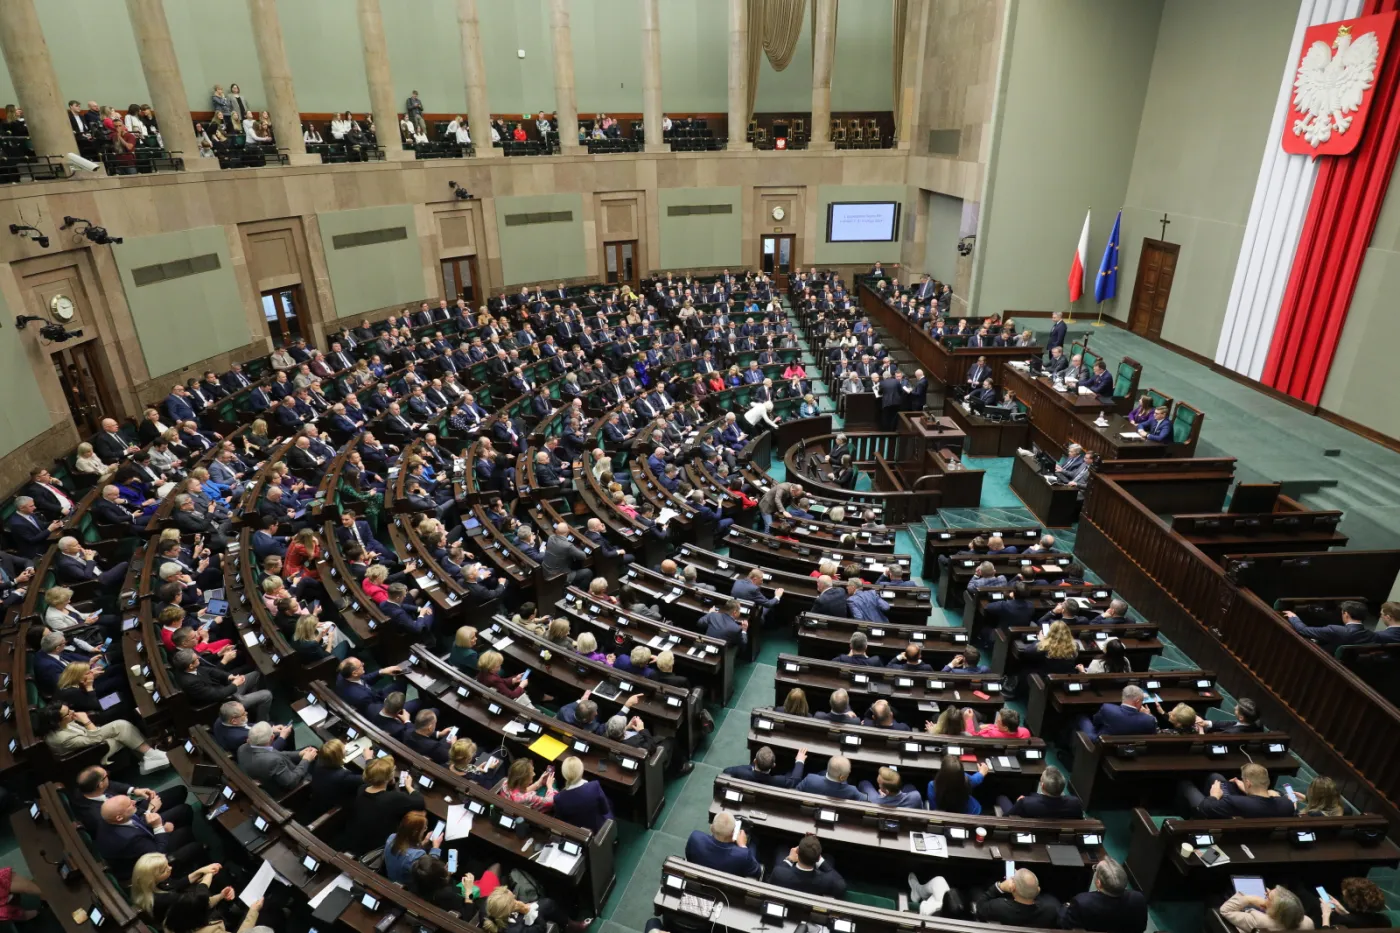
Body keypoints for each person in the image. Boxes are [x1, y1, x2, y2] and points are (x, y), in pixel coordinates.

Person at [38, 704, 169, 773]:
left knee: (122, 725)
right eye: (68, 713)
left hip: (91, 741)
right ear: (57, 721)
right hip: (90, 754)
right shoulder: (61, 738)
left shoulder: (63, 723)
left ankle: (148, 757)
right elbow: (96, 741)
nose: (72, 712)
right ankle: (150, 755)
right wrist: (87, 721)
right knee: (122, 728)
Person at [346, 755, 426, 855]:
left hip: (357, 839)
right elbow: (419, 801)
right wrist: (409, 786)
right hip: (378, 849)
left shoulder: (362, 789)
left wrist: (390, 783)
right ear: (389, 777)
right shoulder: (393, 798)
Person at [130, 853, 231, 929]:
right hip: (184, 922)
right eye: (165, 869)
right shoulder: (166, 899)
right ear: (153, 878)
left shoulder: (145, 885)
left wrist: (201, 871)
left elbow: (176, 884)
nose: (170, 868)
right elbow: (201, 899)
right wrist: (208, 876)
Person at [1058, 857, 1148, 933]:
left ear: (1098, 883)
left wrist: (1065, 906)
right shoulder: (1138, 899)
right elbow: (1141, 928)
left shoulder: (1082, 902)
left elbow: (1066, 924)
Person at [1178, 762, 1294, 818]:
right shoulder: (1286, 804)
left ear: (1248, 783)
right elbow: (1279, 798)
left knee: (1185, 784)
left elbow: (1206, 808)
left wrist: (1215, 795)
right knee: (1216, 777)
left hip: (1212, 816)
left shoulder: (1235, 801)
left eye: (1243, 780)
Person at [237, 722, 316, 791]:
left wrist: (299, 754)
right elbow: (291, 782)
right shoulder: (273, 761)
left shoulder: (242, 748)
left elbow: (275, 753)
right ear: (272, 738)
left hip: (270, 775)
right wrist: (306, 760)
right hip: (292, 786)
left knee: (311, 748)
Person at [684, 812, 760, 878]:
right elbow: (757, 872)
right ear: (733, 833)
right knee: (753, 842)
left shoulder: (695, 838)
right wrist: (743, 846)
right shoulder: (744, 855)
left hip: (699, 878)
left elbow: (689, 858)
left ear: (711, 828)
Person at [770, 835, 847, 899]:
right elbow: (841, 885)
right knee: (829, 858)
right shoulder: (827, 881)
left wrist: (789, 859)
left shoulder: (778, 873)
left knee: (782, 849)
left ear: (797, 852)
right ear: (818, 858)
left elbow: (779, 870)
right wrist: (821, 861)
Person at [309, 737, 369, 817]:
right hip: (336, 807)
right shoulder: (343, 776)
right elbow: (369, 778)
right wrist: (368, 759)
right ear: (339, 756)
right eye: (343, 748)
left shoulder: (318, 762)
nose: (345, 747)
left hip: (319, 799)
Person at [1281, 602, 1374, 653]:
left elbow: (1303, 630)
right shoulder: (1370, 634)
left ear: (1346, 614)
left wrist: (1293, 617)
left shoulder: (1335, 629)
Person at [995, 765, 1083, 819]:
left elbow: (1007, 817)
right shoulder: (1075, 803)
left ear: (1043, 786)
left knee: (1001, 798)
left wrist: (1018, 804)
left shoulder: (1026, 803)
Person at [552, 755, 614, 831]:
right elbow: (605, 810)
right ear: (582, 770)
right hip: (599, 827)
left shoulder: (558, 798)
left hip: (577, 831)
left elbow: (563, 819)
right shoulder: (594, 786)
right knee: (609, 801)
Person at [384, 810, 444, 884]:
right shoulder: (416, 856)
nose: (425, 830)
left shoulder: (392, 837)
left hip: (391, 877)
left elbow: (407, 849)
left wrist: (424, 842)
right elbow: (430, 870)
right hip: (405, 887)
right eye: (424, 828)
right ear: (416, 832)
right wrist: (436, 847)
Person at [1080, 684, 1157, 740]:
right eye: (1142, 701)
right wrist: (1149, 715)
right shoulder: (1149, 720)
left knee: (1081, 718)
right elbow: (1153, 733)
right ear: (1137, 701)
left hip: (1101, 744)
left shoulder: (1107, 708)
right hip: (1132, 749)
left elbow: (1095, 722)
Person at [1220, 885, 1312, 931]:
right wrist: (1271, 899)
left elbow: (1225, 910)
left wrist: (1250, 899)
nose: (1265, 894)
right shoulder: (1308, 922)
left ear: (1276, 910)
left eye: (1268, 897)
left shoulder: (1259, 920)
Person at [1312, 877, 1388, 928]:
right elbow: (1359, 922)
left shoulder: (1340, 921)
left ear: (1353, 902)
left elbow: (1353, 922)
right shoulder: (1384, 920)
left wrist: (1325, 915)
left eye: (1344, 897)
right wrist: (1345, 913)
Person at [724, 745, 806, 788]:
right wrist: (800, 761)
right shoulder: (779, 781)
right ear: (774, 765)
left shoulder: (740, 772)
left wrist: (749, 767)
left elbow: (726, 771)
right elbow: (794, 780)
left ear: (755, 761)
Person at [795, 755, 863, 800]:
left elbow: (796, 792)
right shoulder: (852, 791)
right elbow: (865, 801)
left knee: (822, 772)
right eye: (849, 773)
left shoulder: (810, 779)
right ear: (842, 778)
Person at [857, 766, 924, 808]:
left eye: (879, 784)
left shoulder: (873, 801)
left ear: (886, 791)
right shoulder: (916, 797)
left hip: (880, 800)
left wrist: (882, 797)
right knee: (909, 786)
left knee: (864, 783)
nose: (878, 785)